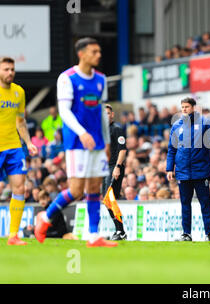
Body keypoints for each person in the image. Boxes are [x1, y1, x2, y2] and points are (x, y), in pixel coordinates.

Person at [34, 37, 117, 248]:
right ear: (81, 54)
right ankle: (46, 217)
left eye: (99, 51)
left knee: (94, 188)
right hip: (77, 142)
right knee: (77, 190)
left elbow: (100, 111)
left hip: (97, 141)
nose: (99, 55)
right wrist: (81, 132)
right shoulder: (67, 78)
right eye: (94, 52)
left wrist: (106, 141)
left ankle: (94, 235)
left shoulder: (100, 79)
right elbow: (64, 111)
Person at [166, 97, 210, 241]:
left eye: (187, 107)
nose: (184, 109)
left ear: (194, 108)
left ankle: (209, 233)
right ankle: (186, 233)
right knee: (185, 204)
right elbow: (172, 149)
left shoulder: (205, 123)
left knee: (205, 203)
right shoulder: (176, 125)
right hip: (183, 171)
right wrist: (169, 168)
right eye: (182, 107)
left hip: (201, 170)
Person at [0, 56, 38, 245]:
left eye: (12, 69)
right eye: (6, 69)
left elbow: (20, 121)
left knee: (20, 188)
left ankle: (13, 235)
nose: (10, 73)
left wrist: (29, 142)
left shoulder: (19, 92)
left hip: (14, 147)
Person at [102, 104, 127, 240]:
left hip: (113, 167)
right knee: (107, 201)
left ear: (112, 115)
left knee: (109, 198)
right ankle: (119, 231)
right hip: (104, 168)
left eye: (107, 113)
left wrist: (118, 166)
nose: (105, 116)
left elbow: (122, 149)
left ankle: (120, 231)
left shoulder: (116, 129)